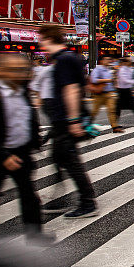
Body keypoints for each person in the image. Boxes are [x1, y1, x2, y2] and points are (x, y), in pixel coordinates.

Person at [38, 24, 98, 218]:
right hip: (63, 120)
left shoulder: (63, 60)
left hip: (65, 120)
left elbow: (71, 90)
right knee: (60, 157)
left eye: (41, 39)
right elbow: (83, 85)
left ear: (48, 38)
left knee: (70, 160)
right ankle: (66, 200)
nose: (40, 43)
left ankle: (87, 202)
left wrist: (73, 120)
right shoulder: (72, 58)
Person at [0, 52, 46, 240]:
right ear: (2, 71)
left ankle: (34, 234)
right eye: (14, 70)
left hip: (21, 153)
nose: (19, 74)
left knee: (29, 195)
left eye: (22, 70)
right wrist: (2, 156)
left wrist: (35, 141)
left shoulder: (23, 91)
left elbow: (29, 118)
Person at [90, 55, 122, 133]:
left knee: (112, 110)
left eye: (109, 59)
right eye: (107, 59)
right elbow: (94, 80)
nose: (109, 61)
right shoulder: (97, 69)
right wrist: (107, 80)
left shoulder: (108, 69)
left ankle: (115, 127)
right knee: (94, 111)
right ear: (101, 61)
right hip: (99, 94)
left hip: (109, 93)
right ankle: (86, 124)